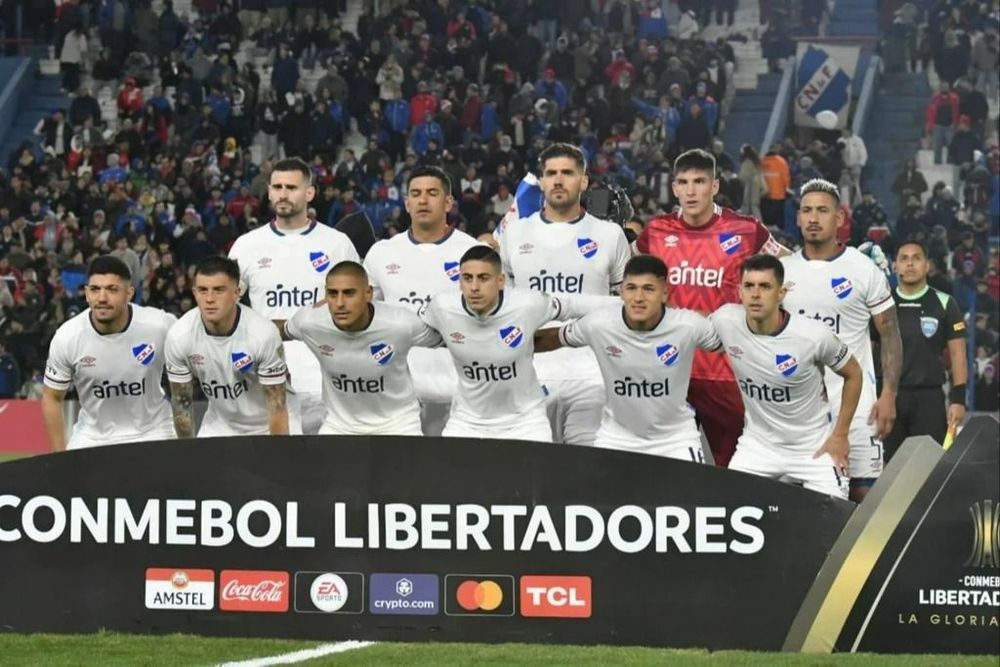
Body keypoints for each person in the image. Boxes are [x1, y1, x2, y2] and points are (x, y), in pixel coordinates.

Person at [635, 149, 787, 467]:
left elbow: (788, 266)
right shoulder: (656, 232)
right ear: (674, 187)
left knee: (736, 470)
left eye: (700, 182)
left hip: (727, 373)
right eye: (684, 183)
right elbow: (625, 275)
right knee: (665, 468)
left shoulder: (746, 230)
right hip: (670, 372)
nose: (691, 191)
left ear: (715, 186)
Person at [498, 143, 631, 446]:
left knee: (585, 473)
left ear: (583, 181)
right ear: (541, 181)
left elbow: (626, 307)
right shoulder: (514, 233)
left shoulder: (610, 236)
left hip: (593, 375)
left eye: (568, 173)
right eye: (551, 173)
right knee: (530, 473)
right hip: (529, 374)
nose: (558, 180)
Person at [781, 179, 902, 502]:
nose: (813, 218)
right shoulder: (782, 273)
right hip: (798, 411)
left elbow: (890, 335)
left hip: (859, 406)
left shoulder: (863, 270)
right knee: (800, 501)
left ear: (839, 218)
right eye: (806, 210)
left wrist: (889, 393)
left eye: (822, 210)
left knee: (864, 495)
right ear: (797, 218)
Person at [535, 255, 719, 461]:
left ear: (665, 293)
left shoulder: (688, 326)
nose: (638, 298)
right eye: (631, 288)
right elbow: (551, 339)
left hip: (675, 440)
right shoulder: (598, 324)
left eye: (649, 289)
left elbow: (736, 340)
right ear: (621, 291)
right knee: (601, 493)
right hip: (617, 438)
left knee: (689, 494)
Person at [710, 254, 862, 499]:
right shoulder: (725, 320)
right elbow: (688, 331)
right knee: (730, 508)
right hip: (758, 447)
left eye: (765, 286)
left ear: (781, 294)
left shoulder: (813, 336)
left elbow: (854, 373)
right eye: (749, 286)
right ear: (739, 291)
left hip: (814, 449)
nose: (756, 294)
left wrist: (841, 434)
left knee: (836, 520)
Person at [228, 157, 360, 434]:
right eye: (276, 187)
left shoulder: (336, 244)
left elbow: (361, 304)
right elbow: (229, 310)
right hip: (266, 373)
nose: (282, 194)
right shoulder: (247, 246)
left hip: (325, 373)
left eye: (291, 187)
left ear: (309, 193)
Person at [420, 246, 591, 442]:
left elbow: (572, 305)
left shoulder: (528, 304)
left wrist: (622, 306)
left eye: (483, 278)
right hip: (467, 422)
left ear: (500, 281)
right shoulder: (442, 307)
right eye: (467, 278)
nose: (474, 287)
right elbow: (406, 322)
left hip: (526, 423)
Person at [362, 166, 480, 436]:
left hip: (460, 392)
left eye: (432, 193)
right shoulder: (381, 253)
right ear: (406, 203)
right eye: (415, 194)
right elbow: (366, 320)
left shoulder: (474, 252)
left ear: (448, 202)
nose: (423, 200)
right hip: (397, 393)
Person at [280, 261, 442, 435]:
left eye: (349, 293)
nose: (340, 303)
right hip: (338, 426)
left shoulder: (401, 324)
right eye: (332, 294)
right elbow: (276, 331)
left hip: (399, 424)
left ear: (368, 293)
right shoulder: (309, 322)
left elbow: (448, 337)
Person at [41, 256, 177, 450]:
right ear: (87, 293)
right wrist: (57, 456)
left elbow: (194, 361)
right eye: (95, 289)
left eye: (112, 289)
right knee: (69, 480)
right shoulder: (67, 337)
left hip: (154, 431)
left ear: (129, 293)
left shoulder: (160, 325)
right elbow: (51, 397)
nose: (102, 298)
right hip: (92, 437)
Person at [164, 256, 289, 438]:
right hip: (220, 424)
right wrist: (188, 454)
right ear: (194, 292)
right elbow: (182, 405)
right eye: (202, 290)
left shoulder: (262, 334)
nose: (209, 299)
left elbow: (277, 409)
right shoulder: (179, 336)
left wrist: (277, 458)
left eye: (219, 290)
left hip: (267, 423)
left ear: (236, 293)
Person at [884, 240, 968, 460]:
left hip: (930, 398)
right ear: (894, 266)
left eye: (916, 258)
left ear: (928, 265)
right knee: (888, 468)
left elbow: (958, 353)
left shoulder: (945, 303)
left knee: (928, 468)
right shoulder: (882, 303)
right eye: (903, 258)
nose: (910, 264)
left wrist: (958, 399)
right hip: (889, 398)